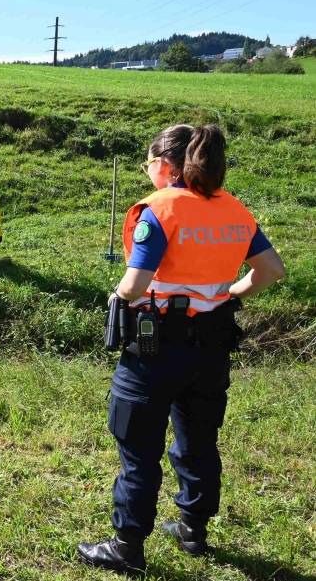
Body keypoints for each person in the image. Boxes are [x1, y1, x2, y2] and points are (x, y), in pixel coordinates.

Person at [77, 125, 285, 574]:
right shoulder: (235, 211)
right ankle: (193, 530)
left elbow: (135, 284)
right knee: (199, 440)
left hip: (156, 346)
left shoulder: (160, 210)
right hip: (211, 344)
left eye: (148, 164)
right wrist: (229, 295)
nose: (147, 172)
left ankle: (127, 546)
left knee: (138, 445)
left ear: (167, 167)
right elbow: (271, 269)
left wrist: (118, 298)